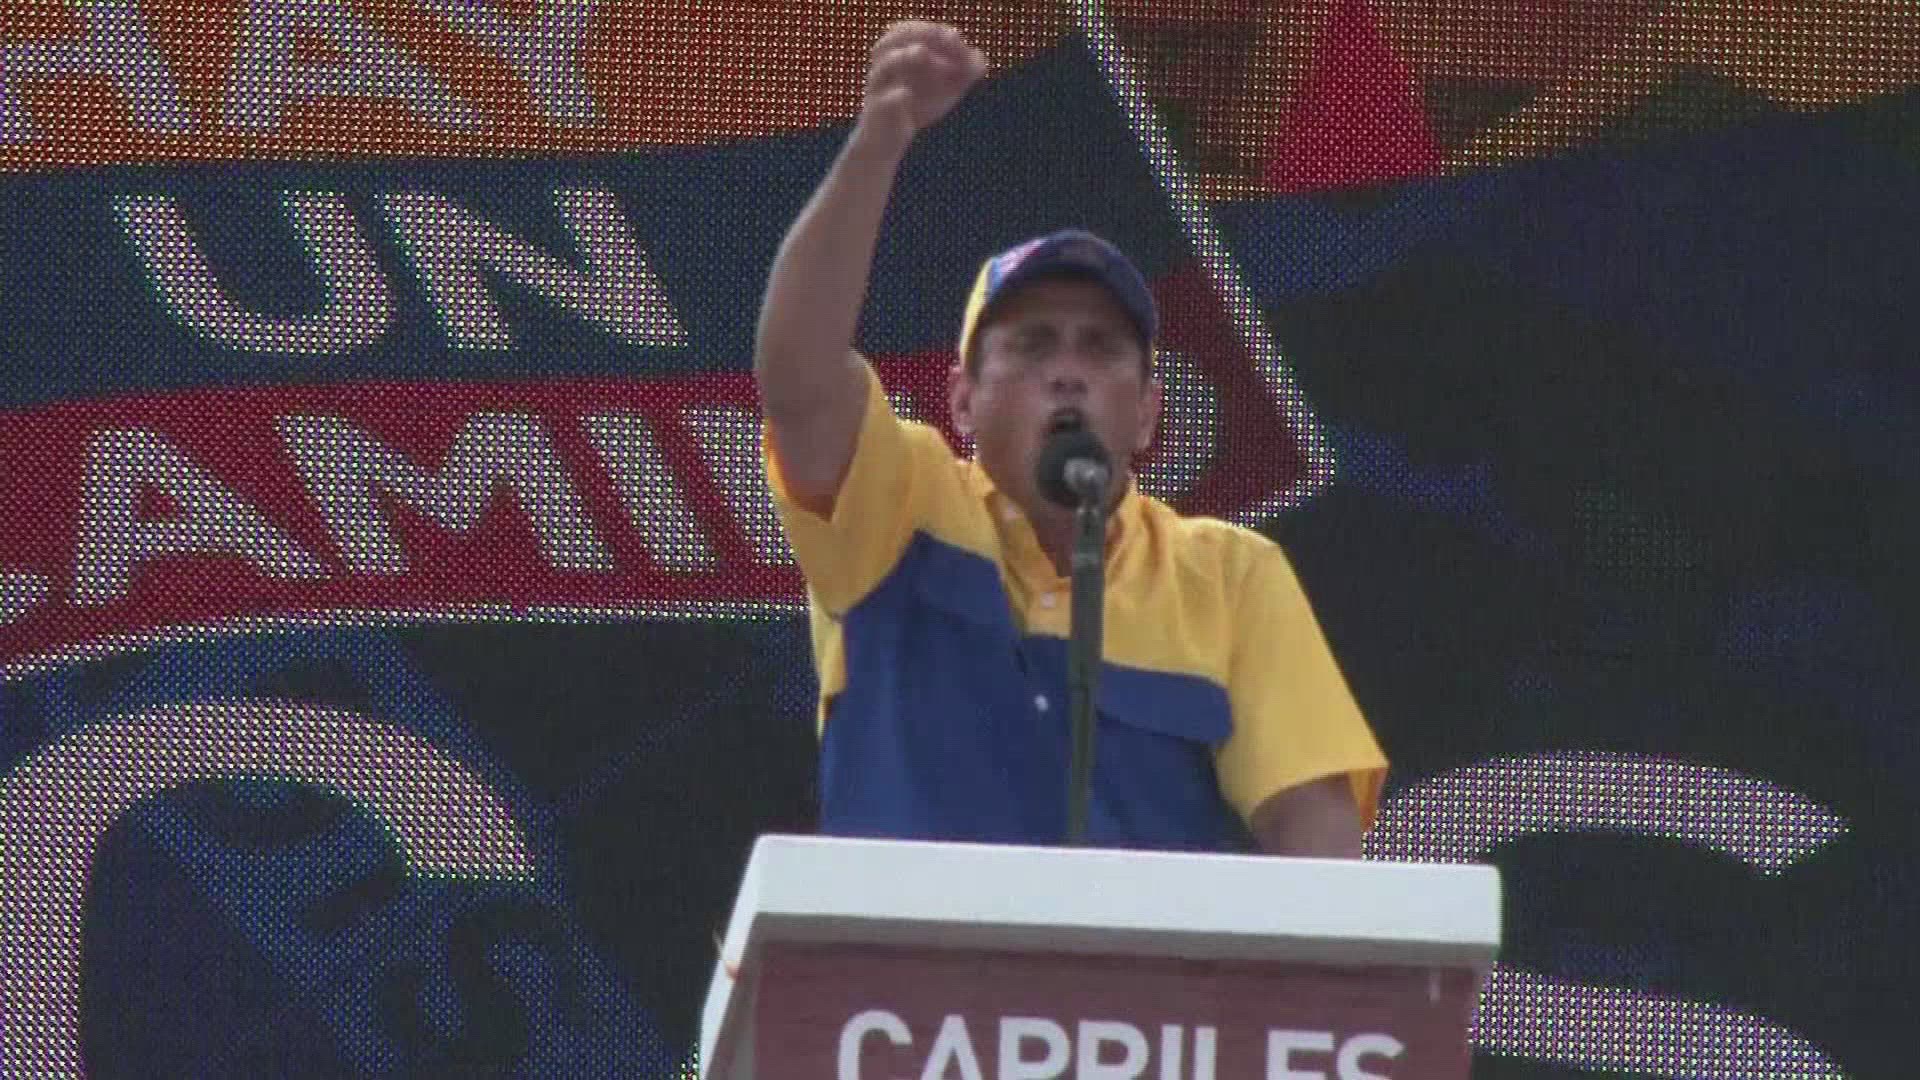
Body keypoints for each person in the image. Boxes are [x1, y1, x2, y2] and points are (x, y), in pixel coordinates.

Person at [754, 19, 1385, 856]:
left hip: (1155, 951)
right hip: (903, 949)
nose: (1068, 372)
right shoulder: (902, 506)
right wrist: (879, 143)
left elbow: (1317, 839)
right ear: (962, 401)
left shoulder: (1230, 575)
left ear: (1149, 412)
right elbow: (797, 379)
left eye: (1101, 348)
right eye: (1032, 345)